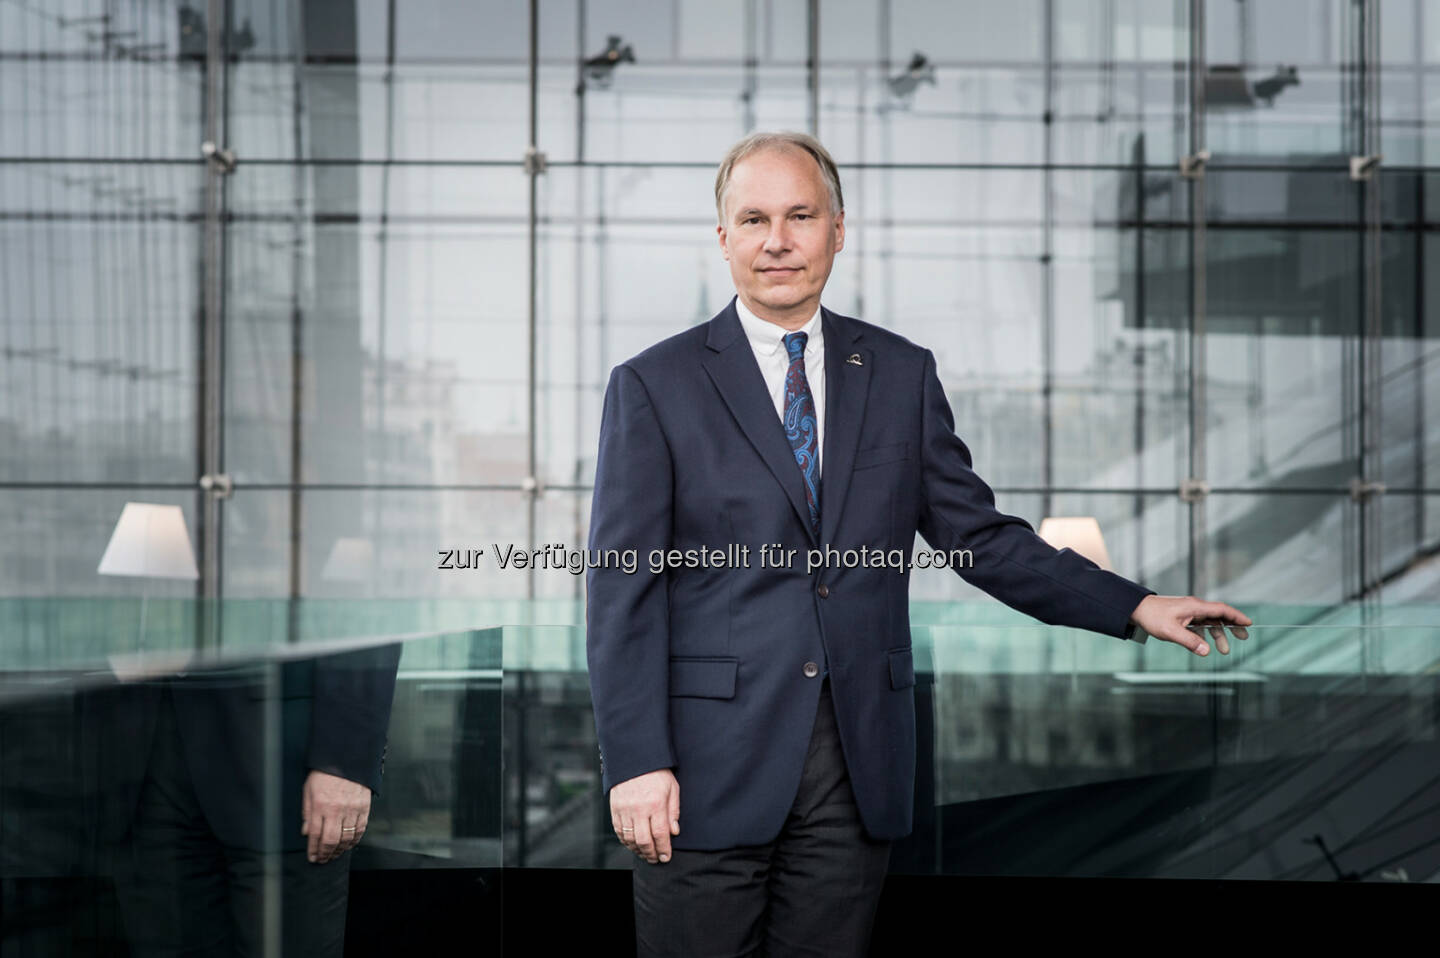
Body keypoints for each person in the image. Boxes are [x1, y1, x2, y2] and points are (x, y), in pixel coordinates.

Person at [584, 130, 1251, 957]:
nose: (778, 240)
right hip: (701, 770)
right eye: (753, 219)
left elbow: (978, 536)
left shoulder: (899, 372)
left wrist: (1135, 604)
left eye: (800, 215)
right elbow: (622, 591)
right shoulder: (655, 384)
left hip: (856, 766)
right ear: (724, 238)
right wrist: (636, 760)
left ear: (837, 228)